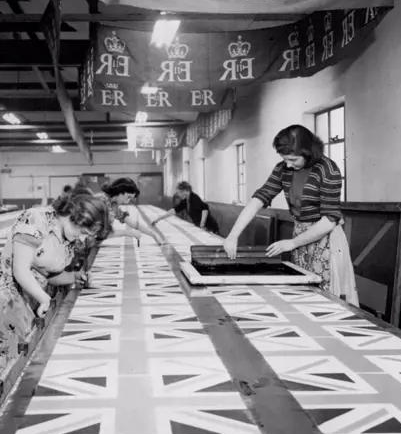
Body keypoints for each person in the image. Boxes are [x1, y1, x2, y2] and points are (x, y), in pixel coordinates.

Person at [0, 193, 110, 403]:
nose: (84, 238)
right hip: (4, 304)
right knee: (2, 380)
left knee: (20, 374)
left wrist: (73, 276)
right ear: (74, 216)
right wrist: (44, 299)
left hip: (31, 303)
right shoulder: (36, 220)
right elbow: (21, 270)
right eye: (84, 231)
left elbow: (48, 274)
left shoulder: (68, 238)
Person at [223, 124, 358, 305]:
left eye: (293, 159)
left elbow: (329, 220)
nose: (288, 164)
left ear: (308, 152)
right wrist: (233, 235)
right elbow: (259, 198)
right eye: (285, 159)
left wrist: (292, 243)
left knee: (325, 298)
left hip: (325, 240)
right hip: (300, 237)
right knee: (303, 294)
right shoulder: (283, 169)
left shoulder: (327, 170)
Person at [99, 177, 164, 244]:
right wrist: (127, 233)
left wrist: (154, 234)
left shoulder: (113, 205)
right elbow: (102, 233)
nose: (127, 202)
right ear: (120, 191)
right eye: (128, 197)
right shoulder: (101, 202)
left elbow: (133, 224)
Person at [151, 181, 219, 233]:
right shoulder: (185, 201)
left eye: (179, 192)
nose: (179, 195)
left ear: (185, 191)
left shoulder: (194, 198)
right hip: (200, 226)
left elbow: (205, 208)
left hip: (209, 227)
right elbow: (174, 210)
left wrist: (202, 224)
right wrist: (159, 219)